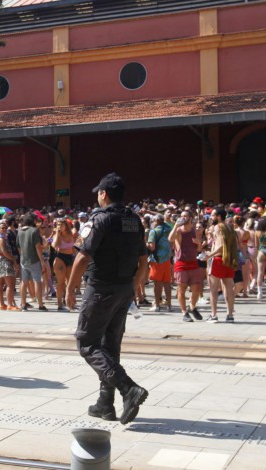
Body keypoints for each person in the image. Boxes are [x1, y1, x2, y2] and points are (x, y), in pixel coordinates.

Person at [66, 173, 149, 425]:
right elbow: (144, 259)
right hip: (124, 288)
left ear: (104, 194)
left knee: (87, 343)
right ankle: (105, 403)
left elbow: (82, 256)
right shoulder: (134, 220)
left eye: (98, 193)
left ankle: (128, 388)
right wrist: (133, 287)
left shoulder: (98, 219)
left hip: (101, 288)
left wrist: (70, 288)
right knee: (110, 346)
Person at [204, 208, 239, 323]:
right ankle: (230, 315)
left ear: (219, 216)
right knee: (229, 289)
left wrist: (209, 255)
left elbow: (220, 246)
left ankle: (213, 315)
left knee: (213, 290)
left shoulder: (218, 227)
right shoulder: (229, 227)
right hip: (228, 260)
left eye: (213, 215)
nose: (211, 217)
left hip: (218, 260)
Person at [168, 211, 203, 322]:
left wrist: (199, 243)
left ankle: (192, 307)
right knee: (181, 289)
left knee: (196, 289)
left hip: (193, 263)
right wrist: (175, 225)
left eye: (185, 216)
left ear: (190, 218)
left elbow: (199, 249)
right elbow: (170, 239)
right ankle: (184, 312)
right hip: (181, 263)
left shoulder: (195, 231)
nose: (183, 218)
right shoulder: (178, 230)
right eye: (182, 216)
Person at [16, 214, 48, 311]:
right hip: (34, 259)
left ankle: (23, 304)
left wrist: (22, 256)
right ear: (32, 220)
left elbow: (18, 247)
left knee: (24, 282)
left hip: (23, 260)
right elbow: (38, 247)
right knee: (37, 281)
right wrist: (42, 261)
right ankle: (40, 304)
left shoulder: (20, 231)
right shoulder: (34, 231)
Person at [0, 221, 20, 311]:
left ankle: (2, 304)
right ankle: (9, 305)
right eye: (2, 228)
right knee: (10, 284)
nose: (4, 229)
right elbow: (5, 252)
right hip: (4, 261)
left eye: (5, 228)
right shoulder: (1, 239)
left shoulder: (1, 238)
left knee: (0, 284)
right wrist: (14, 260)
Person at [147, 213, 173, 312]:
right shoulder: (168, 229)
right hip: (167, 259)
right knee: (167, 283)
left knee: (157, 284)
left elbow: (152, 247)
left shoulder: (153, 232)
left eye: (153, 221)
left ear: (156, 221)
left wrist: (146, 244)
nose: (152, 223)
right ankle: (169, 305)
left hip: (157, 260)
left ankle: (157, 305)